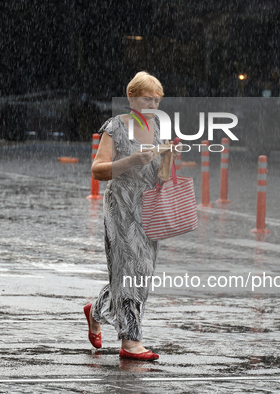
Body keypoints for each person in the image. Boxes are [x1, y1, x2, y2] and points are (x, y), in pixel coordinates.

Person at [83, 71, 179, 361]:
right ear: (132, 98)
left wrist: (168, 156)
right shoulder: (116, 127)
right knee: (128, 271)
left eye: (157, 99)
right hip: (121, 207)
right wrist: (131, 161)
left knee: (144, 271)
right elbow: (98, 170)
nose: (153, 104)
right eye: (148, 98)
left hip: (148, 209)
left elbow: (162, 178)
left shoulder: (159, 129)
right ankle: (131, 342)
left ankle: (97, 309)